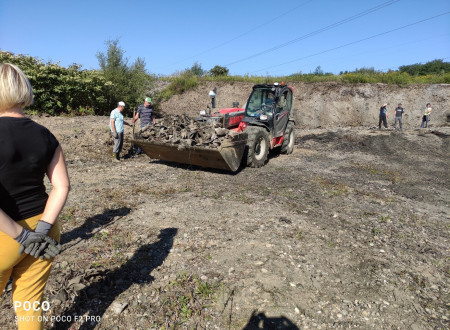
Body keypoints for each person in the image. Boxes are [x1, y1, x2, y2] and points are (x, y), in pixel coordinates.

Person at [0, 63, 70, 329]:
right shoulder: (46, 135)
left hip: (6, 236)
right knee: (30, 304)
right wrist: (39, 232)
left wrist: (22, 236)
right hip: (45, 230)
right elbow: (61, 186)